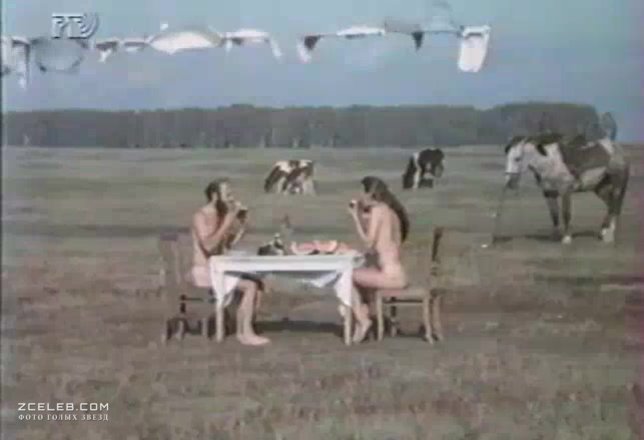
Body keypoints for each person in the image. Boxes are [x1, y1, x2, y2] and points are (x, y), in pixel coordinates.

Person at [190, 178, 269, 346]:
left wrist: (241, 224)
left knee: (257, 282)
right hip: (204, 272)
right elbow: (209, 246)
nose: (231, 199)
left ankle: (242, 325)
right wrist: (227, 221)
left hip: (218, 270)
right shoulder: (201, 216)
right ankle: (244, 333)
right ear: (214, 196)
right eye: (227, 195)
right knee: (250, 286)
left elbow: (227, 245)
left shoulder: (220, 215)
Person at [347, 176, 410, 342]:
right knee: (361, 276)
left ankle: (363, 320)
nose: (359, 197)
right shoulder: (389, 211)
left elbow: (368, 242)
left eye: (361, 193)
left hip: (391, 277)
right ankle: (363, 317)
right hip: (397, 274)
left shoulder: (378, 210)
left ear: (369, 193)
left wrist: (355, 218)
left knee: (346, 276)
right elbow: (382, 241)